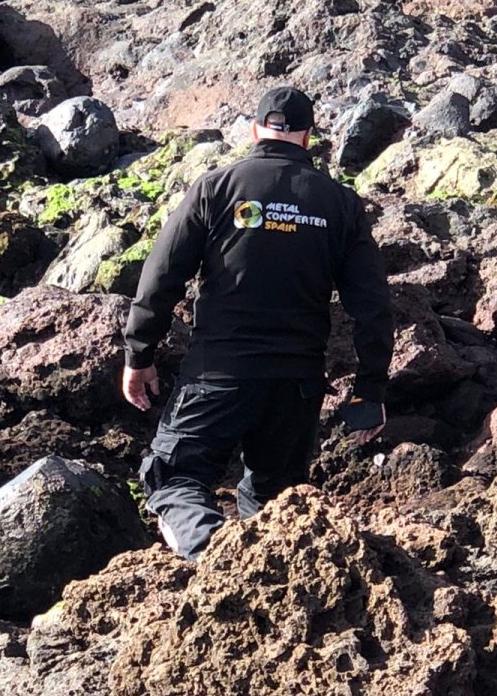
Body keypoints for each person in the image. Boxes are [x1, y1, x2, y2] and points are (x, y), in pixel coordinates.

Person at [122, 85, 394, 560]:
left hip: (217, 374)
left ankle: (212, 557)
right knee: (275, 502)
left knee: (174, 477)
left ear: (255, 130)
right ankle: (262, 576)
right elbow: (372, 306)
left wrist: (138, 353)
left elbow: (162, 276)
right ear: (308, 136)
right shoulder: (340, 204)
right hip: (296, 386)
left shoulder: (215, 187)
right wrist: (370, 390)